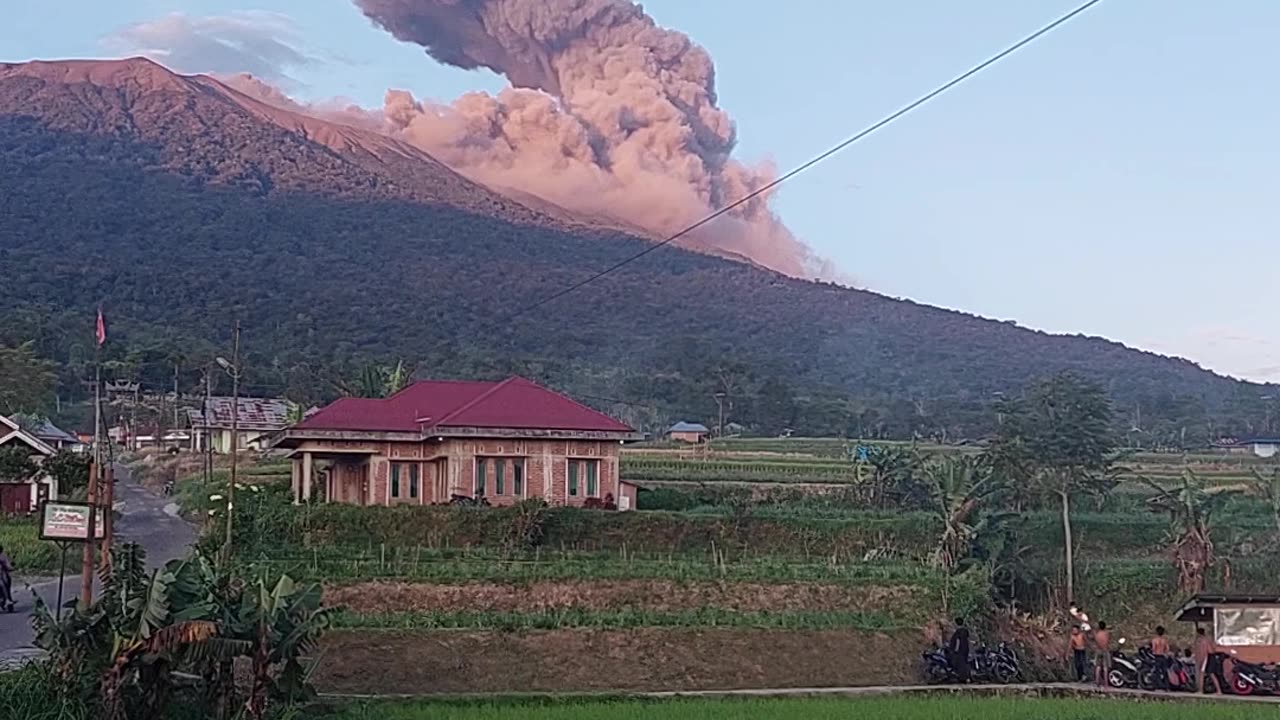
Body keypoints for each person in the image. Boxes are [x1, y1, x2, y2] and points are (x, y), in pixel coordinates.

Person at [1193, 626, 1223, 694]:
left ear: (1198, 633)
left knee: (1202, 674)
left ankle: (1201, 690)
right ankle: (1219, 690)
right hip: (1210, 656)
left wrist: (1201, 661)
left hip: (1208, 657)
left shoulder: (1203, 640)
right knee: (1211, 674)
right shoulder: (1206, 639)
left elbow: (1204, 651)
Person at [948, 616, 971, 683]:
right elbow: (967, 640)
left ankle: (962, 678)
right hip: (966, 650)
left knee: (960, 664)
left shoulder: (958, 632)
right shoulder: (965, 631)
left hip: (960, 651)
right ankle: (967, 677)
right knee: (965, 663)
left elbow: (958, 641)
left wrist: (955, 650)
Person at [1093, 621, 1112, 687]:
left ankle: (1097, 682)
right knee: (1105, 667)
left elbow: (1096, 642)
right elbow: (1107, 641)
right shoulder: (1106, 633)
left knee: (1098, 667)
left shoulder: (1097, 634)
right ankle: (1106, 683)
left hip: (1098, 650)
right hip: (1105, 650)